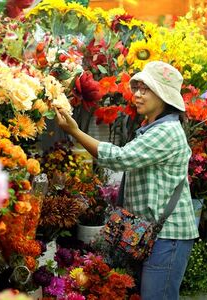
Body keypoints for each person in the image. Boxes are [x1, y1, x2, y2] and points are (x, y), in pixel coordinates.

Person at [55, 61, 199, 300]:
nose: (138, 94)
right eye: (138, 88)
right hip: (153, 233)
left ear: (163, 96)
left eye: (146, 89)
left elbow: (119, 158)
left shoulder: (165, 132)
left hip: (168, 236)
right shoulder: (152, 127)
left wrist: (75, 132)